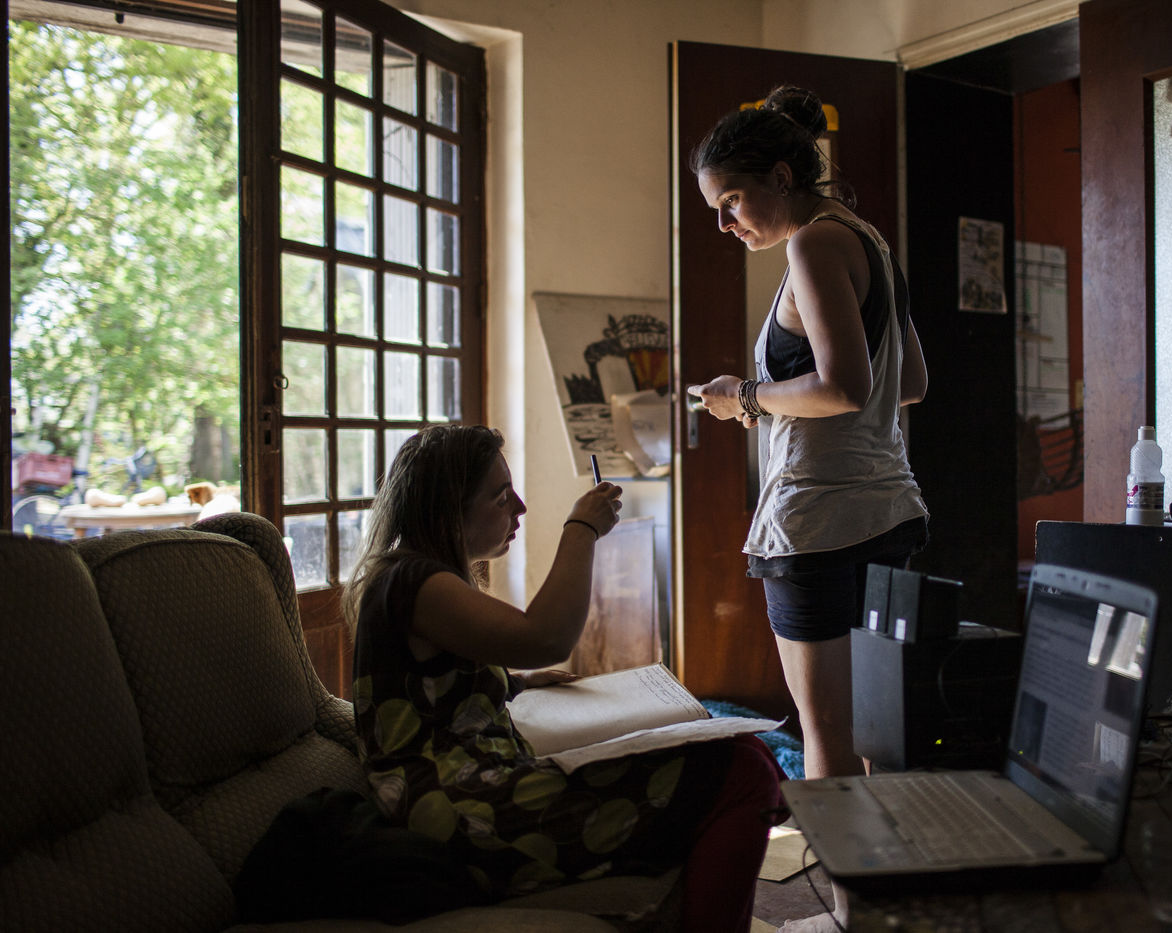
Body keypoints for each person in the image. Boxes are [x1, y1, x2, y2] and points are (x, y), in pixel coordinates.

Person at [343, 424, 785, 933]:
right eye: (500, 496)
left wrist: (517, 681)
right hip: (458, 810)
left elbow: (430, 688)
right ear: (447, 510)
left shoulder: (413, 577)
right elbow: (546, 637)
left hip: (470, 790)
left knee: (749, 754)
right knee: (741, 772)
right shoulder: (412, 580)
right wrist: (581, 529)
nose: (519, 507)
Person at [686, 85, 929, 932]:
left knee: (826, 741)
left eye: (731, 202)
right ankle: (890, 907)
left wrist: (745, 396)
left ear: (781, 176)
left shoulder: (813, 245)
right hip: (890, 510)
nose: (725, 224)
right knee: (881, 734)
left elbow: (846, 386)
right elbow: (911, 381)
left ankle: (854, 917)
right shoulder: (867, 239)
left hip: (820, 525)